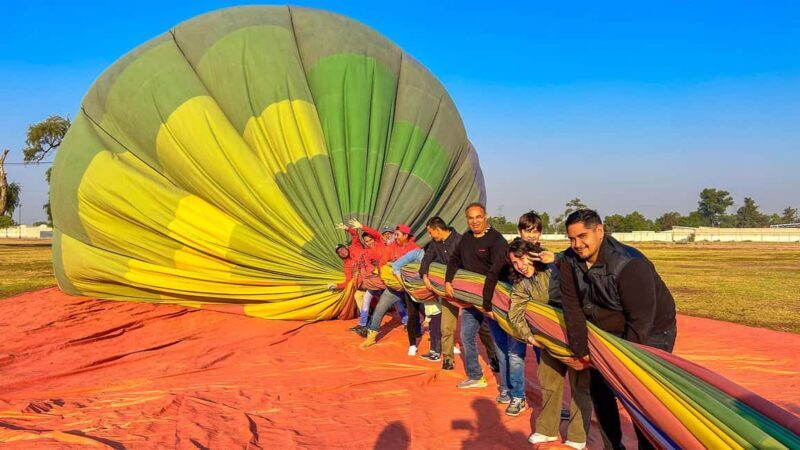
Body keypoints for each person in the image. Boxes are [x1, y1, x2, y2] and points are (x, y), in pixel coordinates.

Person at [559, 209, 677, 450]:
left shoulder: (630, 264)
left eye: (582, 236)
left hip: (651, 333)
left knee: (640, 397)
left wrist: (623, 363)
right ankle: (612, 446)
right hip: (606, 333)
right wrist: (581, 350)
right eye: (571, 239)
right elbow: (572, 307)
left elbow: (640, 322)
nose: (577, 244)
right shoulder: (569, 260)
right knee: (600, 392)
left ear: (599, 231)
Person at [506, 238, 591, 450]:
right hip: (549, 340)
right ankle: (547, 429)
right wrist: (529, 336)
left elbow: (578, 262)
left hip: (576, 337)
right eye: (514, 263)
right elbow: (515, 313)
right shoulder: (522, 283)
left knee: (580, 386)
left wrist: (555, 258)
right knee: (549, 383)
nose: (519, 266)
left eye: (522, 259)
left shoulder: (555, 269)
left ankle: (577, 435)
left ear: (533, 255)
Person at [445, 203, 506, 390]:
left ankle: (508, 387)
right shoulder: (466, 238)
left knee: (500, 343)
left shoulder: (497, 240)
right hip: (472, 299)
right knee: (466, 336)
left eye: (478, 217)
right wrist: (448, 280)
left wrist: (486, 304)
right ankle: (475, 375)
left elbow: (495, 272)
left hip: (493, 299)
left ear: (486, 217)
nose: (475, 221)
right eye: (471, 218)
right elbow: (454, 259)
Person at [360, 224, 421, 350]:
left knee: (418, 310)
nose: (395, 237)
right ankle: (371, 337)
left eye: (396, 234)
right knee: (380, 308)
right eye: (394, 234)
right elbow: (383, 261)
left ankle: (420, 331)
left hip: (411, 286)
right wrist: (382, 270)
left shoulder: (415, 248)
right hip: (394, 286)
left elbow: (418, 267)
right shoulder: (391, 246)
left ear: (406, 235)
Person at [418, 217, 463, 368]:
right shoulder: (435, 243)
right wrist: (424, 275)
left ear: (437, 230)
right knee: (446, 327)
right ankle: (448, 360)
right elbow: (426, 259)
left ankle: (493, 355)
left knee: (482, 327)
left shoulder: (460, 241)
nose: (430, 235)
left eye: (431, 232)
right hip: (448, 290)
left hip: (466, 289)